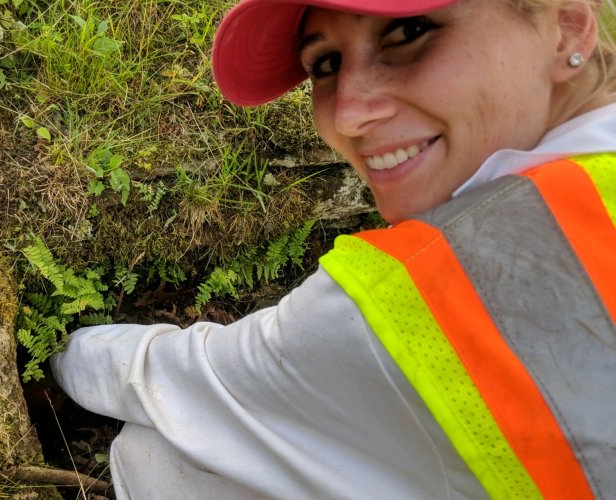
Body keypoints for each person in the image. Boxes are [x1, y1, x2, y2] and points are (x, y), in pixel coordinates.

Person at [52, 0, 616, 497]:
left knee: (154, 452)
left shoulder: (419, 288)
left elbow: (174, 380)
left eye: (408, 32)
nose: (348, 114)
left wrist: (52, 345)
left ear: (567, 26)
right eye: (324, 64)